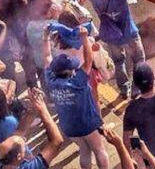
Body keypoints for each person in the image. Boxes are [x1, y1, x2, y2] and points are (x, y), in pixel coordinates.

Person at [60, 0, 145, 99]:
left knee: (119, 62)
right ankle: (136, 89)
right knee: (139, 60)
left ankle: (124, 89)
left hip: (112, 38)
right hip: (130, 34)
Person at [44, 26, 109, 169]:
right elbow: (89, 60)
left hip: (69, 127)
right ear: (68, 70)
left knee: (85, 150)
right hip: (87, 123)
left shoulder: (50, 79)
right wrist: (85, 38)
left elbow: (47, 57)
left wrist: (45, 38)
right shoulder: (77, 81)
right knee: (99, 149)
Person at [0, 87, 65, 169]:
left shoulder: (1, 162)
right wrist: (43, 109)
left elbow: (20, 131)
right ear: (19, 156)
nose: (24, 140)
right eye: (24, 142)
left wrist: (34, 107)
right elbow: (57, 141)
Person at [0, 85, 30, 169]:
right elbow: (19, 140)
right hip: (12, 159)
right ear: (3, 105)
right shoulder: (10, 121)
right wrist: (30, 158)